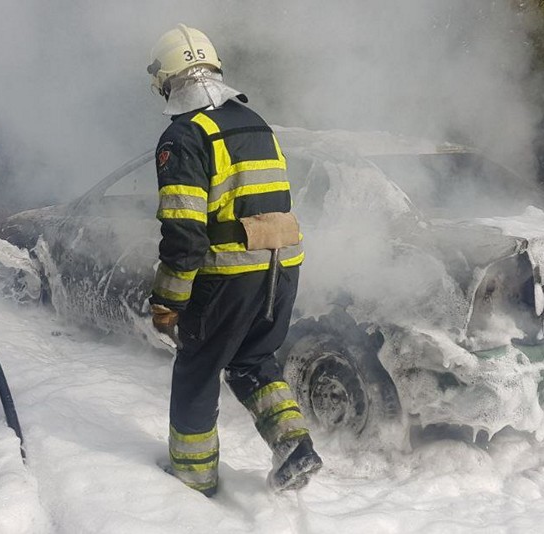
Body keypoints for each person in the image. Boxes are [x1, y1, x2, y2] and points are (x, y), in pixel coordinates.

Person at [147, 24, 322, 496]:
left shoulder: (182, 135)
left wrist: (168, 300)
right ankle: (294, 446)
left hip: (228, 274)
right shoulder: (253, 120)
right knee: (253, 360)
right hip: (281, 266)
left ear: (167, 79)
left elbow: (184, 234)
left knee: (197, 371)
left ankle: (192, 477)